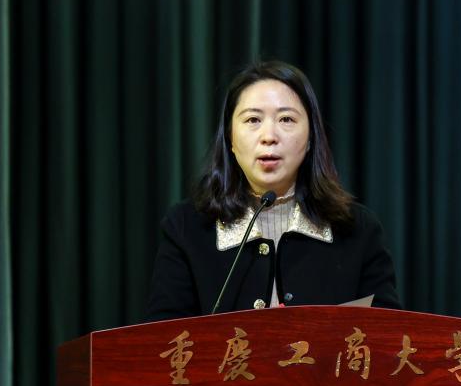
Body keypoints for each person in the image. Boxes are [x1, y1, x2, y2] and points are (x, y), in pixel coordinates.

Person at [144, 60, 400, 321]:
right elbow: (164, 339)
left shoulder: (358, 229)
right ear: (230, 138)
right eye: (253, 120)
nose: (269, 136)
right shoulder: (186, 227)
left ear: (310, 137)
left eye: (286, 119)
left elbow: (387, 334)